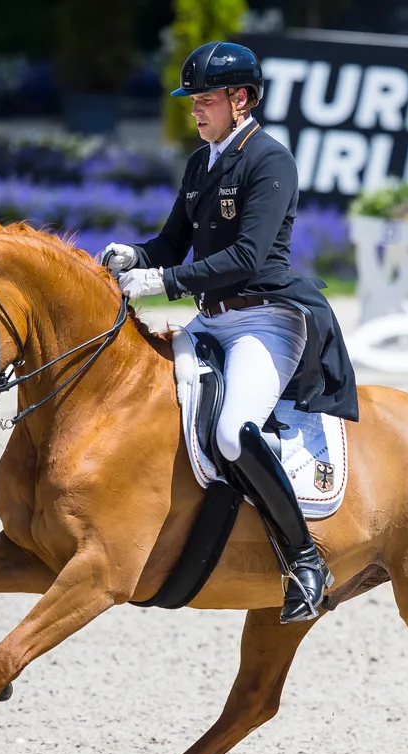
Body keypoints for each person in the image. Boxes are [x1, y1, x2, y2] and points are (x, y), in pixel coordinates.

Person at [99, 41, 358, 624]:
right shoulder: (201, 163)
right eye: (193, 99)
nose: (195, 110)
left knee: (236, 433)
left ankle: (304, 560)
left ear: (241, 100)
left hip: (265, 320)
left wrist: (160, 281)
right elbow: (170, 245)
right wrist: (132, 255)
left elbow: (245, 257)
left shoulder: (271, 160)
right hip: (211, 319)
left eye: (206, 99)